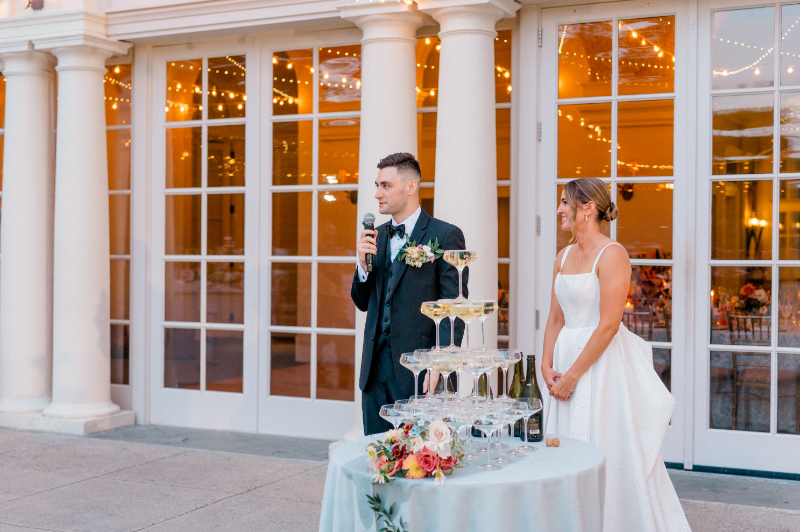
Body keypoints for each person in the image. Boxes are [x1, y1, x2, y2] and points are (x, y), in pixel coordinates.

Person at [542, 178, 691, 532]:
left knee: (603, 442)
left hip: (600, 365)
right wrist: (546, 367)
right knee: (563, 448)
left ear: (587, 209)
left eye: (565, 203)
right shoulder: (561, 257)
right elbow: (554, 317)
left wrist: (573, 376)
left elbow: (609, 325)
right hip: (563, 360)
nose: (560, 209)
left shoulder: (613, 254)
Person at [352, 152, 468, 435]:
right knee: (378, 456)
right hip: (375, 372)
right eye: (377, 185)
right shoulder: (375, 236)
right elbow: (362, 302)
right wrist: (362, 267)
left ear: (411, 187)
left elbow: (454, 308)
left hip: (421, 372)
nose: (378, 193)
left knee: (422, 461)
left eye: (386, 186)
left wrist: (440, 362)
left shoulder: (445, 235)